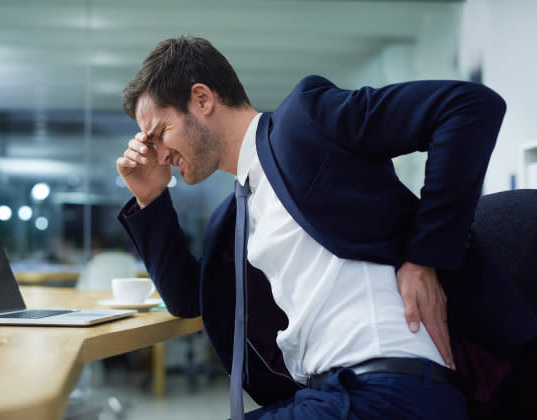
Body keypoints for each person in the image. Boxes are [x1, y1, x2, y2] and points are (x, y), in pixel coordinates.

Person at [115, 36, 537, 419]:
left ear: (202, 99)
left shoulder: (305, 122)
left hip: (389, 389)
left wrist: (424, 259)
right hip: (333, 397)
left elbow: (467, 107)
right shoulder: (235, 217)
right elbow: (189, 298)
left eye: (159, 133)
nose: (158, 153)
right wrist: (150, 197)